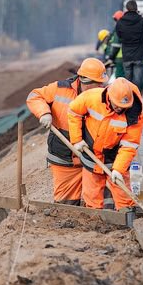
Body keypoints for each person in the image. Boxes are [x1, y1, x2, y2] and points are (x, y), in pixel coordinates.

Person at [26, 58, 108, 206]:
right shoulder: (59, 89)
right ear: (84, 81)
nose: (101, 87)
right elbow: (34, 96)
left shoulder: (106, 95)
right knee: (65, 206)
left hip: (94, 159)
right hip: (65, 158)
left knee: (100, 204)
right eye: (98, 84)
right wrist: (44, 113)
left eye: (102, 83)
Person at [68, 77, 143, 213]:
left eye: (123, 107)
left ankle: (126, 215)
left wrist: (118, 170)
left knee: (123, 193)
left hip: (115, 155)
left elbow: (129, 145)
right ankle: (94, 218)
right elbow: (74, 112)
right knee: (92, 193)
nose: (119, 109)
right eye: (116, 105)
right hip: (91, 153)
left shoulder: (135, 115)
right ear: (109, 96)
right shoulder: (92, 97)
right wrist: (77, 139)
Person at [115, 0, 143, 99]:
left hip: (127, 56)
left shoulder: (120, 22)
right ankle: (136, 98)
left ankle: (128, 99)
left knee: (128, 80)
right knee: (138, 80)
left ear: (127, 9)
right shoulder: (141, 20)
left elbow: (119, 36)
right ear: (136, 8)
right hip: (139, 55)